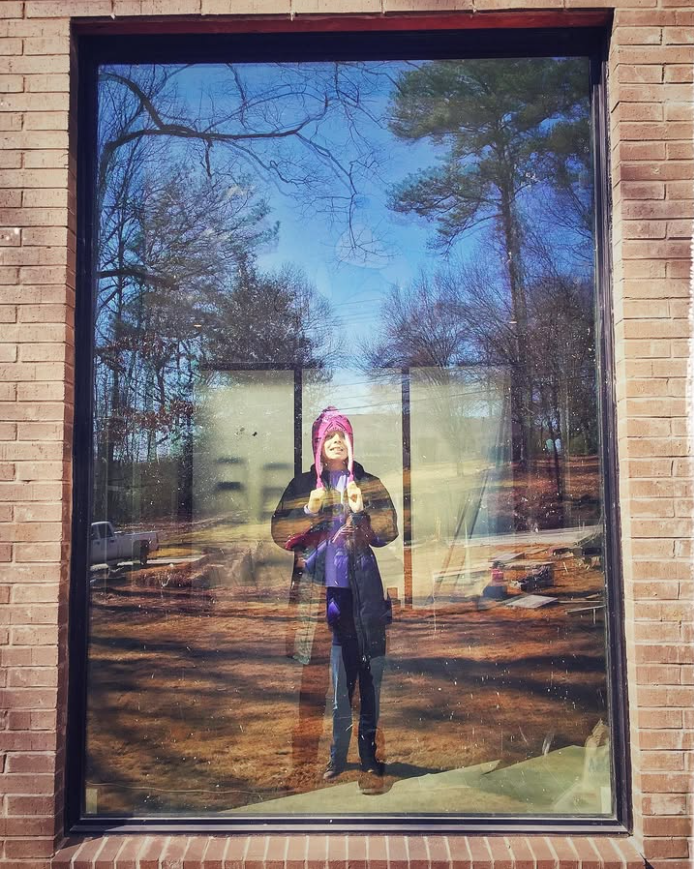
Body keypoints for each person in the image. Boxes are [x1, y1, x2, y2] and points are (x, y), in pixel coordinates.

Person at [271, 406, 398, 792]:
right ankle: (330, 756)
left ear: (351, 441)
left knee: (368, 680)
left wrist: (362, 510)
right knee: (322, 684)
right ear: (318, 444)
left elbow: (390, 529)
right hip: (320, 597)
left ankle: (369, 757)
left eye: (342, 435)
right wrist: (309, 509)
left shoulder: (368, 482)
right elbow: (279, 533)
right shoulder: (302, 485)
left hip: (362, 596)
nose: (336, 441)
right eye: (329, 436)